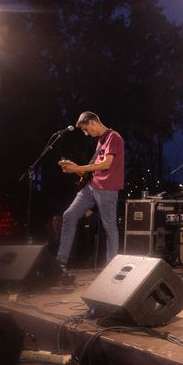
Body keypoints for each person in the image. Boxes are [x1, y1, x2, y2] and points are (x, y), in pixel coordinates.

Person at [57, 111, 124, 273]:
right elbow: (94, 169)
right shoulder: (101, 141)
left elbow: (106, 164)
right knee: (69, 215)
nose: (87, 134)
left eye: (86, 130)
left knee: (109, 227)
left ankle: (111, 266)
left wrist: (79, 168)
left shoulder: (113, 137)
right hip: (91, 187)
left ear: (93, 123)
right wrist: (74, 169)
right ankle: (60, 262)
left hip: (107, 189)